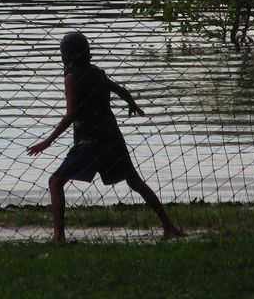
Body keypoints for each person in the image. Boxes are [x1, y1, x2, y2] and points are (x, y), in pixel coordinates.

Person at [26, 31, 183, 243]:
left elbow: (71, 113)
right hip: (112, 137)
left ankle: (58, 236)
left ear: (65, 55)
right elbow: (120, 90)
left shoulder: (71, 78)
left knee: (55, 182)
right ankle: (169, 225)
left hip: (90, 141)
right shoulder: (97, 73)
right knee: (134, 181)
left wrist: (48, 141)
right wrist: (132, 104)